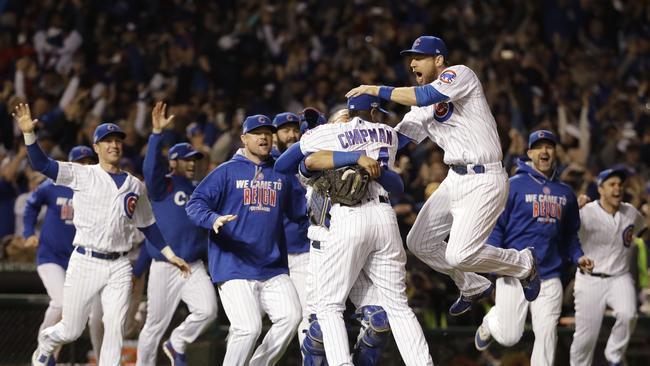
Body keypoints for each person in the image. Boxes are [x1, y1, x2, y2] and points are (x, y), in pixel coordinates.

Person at [346, 35, 540, 309]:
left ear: (438, 59)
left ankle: (523, 263)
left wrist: (376, 89)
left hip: (485, 178)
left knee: (460, 254)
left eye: (418, 57)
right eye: (410, 58)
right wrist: (355, 138)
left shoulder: (460, 75)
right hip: (454, 180)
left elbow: (429, 95)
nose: (412, 63)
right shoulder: (420, 107)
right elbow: (396, 141)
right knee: (419, 242)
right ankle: (472, 284)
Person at [12, 103, 190, 366]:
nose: (114, 145)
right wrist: (29, 135)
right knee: (71, 329)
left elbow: (148, 224)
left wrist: (170, 255)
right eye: (107, 141)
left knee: (114, 327)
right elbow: (42, 164)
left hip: (119, 264)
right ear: (96, 147)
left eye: (118, 140)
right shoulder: (82, 174)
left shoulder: (134, 185)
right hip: (85, 260)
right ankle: (45, 345)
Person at [277, 94, 433, 365]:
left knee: (333, 309)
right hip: (376, 220)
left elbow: (286, 163)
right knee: (396, 307)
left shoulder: (329, 134)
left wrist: (349, 152)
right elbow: (308, 165)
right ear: (372, 111)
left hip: (346, 225)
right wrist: (358, 158)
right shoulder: (386, 134)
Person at [185, 114, 303, 366]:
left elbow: (299, 212)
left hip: (272, 267)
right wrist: (212, 219)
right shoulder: (226, 171)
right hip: (233, 265)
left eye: (268, 133)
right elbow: (195, 204)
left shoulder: (281, 171)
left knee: (292, 317)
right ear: (244, 138)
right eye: (257, 133)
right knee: (248, 328)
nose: (263, 137)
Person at [473, 130, 594, 366]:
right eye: (539, 147)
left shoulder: (566, 193)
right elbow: (496, 227)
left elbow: (570, 235)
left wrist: (579, 257)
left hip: (549, 273)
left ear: (555, 152)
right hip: (514, 271)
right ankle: (490, 322)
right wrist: (494, 264)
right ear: (530, 153)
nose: (545, 151)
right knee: (509, 337)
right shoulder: (512, 185)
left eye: (549, 146)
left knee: (547, 334)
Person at [136, 102, 217, 366]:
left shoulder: (201, 188)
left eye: (195, 159)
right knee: (154, 326)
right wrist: (157, 134)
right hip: (166, 266)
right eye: (186, 159)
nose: (192, 163)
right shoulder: (163, 185)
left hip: (192, 266)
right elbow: (150, 168)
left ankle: (177, 342)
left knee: (208, 310)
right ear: (173, 161)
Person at [23, 145, 100, 358]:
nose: (85, 166)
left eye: (88, 162)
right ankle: (43, 354)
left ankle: (48, 356)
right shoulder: (53, 185)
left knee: (88, 314)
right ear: (71, 165)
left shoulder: (95, 190)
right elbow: (31, 206)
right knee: (61, 303)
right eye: (81, 162)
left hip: (79, 260)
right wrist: (29, 232)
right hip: (50, 257)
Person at [570, 168, 646, 366]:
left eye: (620, 184)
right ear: (601, 189)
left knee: (628, 314)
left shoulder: (631, 212)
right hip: (589, 280)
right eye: (612, 184)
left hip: (619, 277)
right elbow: (562, 231)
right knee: (585, 338)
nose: (617, 188)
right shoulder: (586, 211)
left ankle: (614, 356)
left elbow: (642, 232)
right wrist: (572, 209)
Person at [271, 111, 311, 346]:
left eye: (295, 129)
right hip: (274, 254)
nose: (291, 134)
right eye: (285, 130)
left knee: (307, 314)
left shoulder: (308, 158)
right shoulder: (270, 164)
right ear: (274, 134)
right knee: (253, 321)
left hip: (304, 249)